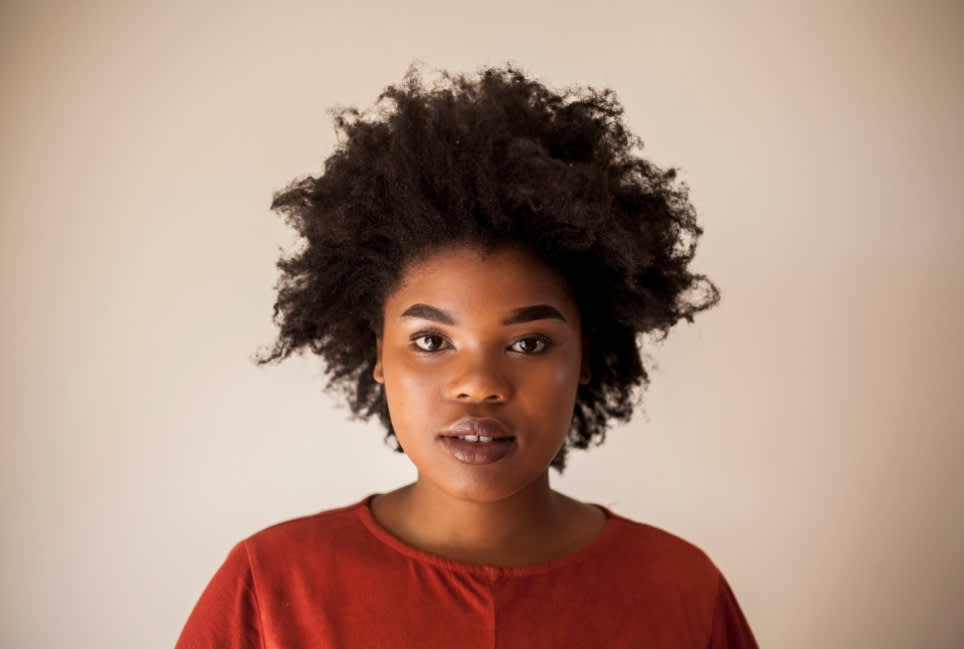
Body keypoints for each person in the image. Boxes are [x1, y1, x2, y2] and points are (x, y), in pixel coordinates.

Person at [174, 64, 759, 648]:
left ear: (586, 355)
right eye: (431, 341)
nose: (479, 385)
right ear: (378, 353)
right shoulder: (268, 590)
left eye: (528, 343)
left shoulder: (682, 591)